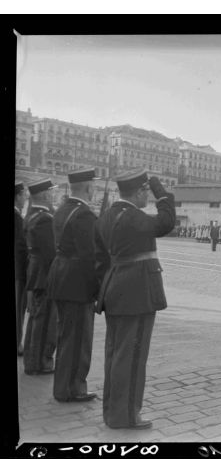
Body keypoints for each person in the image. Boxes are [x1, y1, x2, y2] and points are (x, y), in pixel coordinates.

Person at [95, 169, 175, 429]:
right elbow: (165, 222)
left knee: (116, 354)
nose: (148, 198)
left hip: (115, 290)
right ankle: (126, 415)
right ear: (139, 191)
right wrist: (161, 191)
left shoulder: (106, 216)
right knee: (132, 357)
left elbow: (100, 259)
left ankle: (112, 411)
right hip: (137, 293)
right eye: (146, 193)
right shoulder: (133, 217)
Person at [47, 168, 100, 402]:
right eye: (94, 186)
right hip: (78, 284)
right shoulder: (85, 215)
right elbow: (91, 256)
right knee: (77, 340)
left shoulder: (61, 210)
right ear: (88, 188)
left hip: (60, 278)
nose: (95, 190)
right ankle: (72, 389)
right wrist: (97, 289)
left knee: (65, 336)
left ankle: (63, 387)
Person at [23, 179, 58, 375]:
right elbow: (50, 253)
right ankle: (40, 363)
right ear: (44, 195)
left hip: (35, 273)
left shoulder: (32, 215)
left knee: (36, 319)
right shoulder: (45, 219)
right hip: (45, 275)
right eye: (51, 192)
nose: (53, 195)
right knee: (44, 322)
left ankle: (31, 360)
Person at [15, 181, 28, 356]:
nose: (25, 198)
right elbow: (20, 247)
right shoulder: (17, 218)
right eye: (24, 195)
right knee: (18, 310)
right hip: (19, 271)